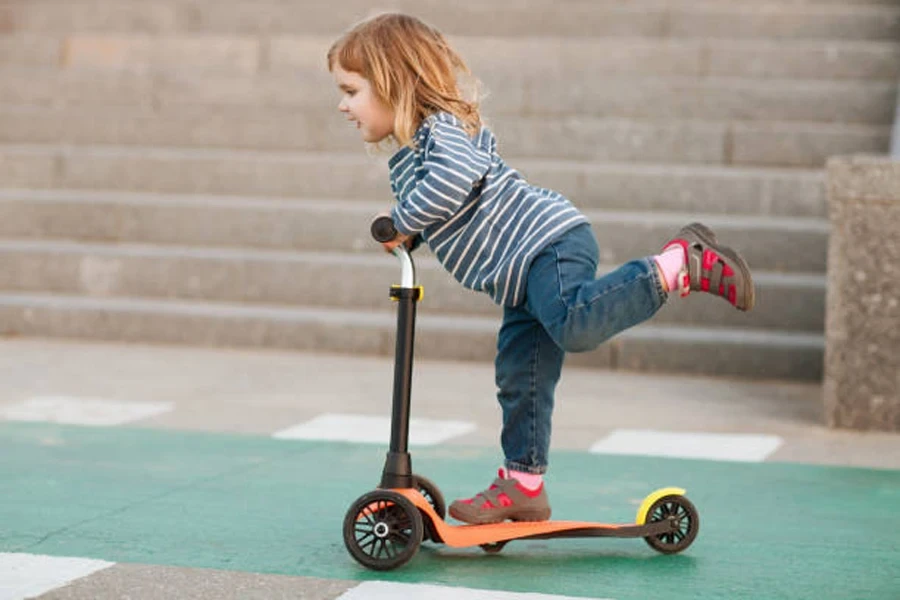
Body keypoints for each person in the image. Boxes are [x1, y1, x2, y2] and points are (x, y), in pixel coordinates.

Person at [327, 13, 755, 525]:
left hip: (546, 246)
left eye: (351, 90)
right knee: (519, 376)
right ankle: (523, 482)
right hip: (518, 276)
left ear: (393, 83)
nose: (342, 105)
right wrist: (412, 231)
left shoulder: (440, 129)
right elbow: (453, 200)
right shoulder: (418, 149)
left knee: (574, 324)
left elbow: (455, 179)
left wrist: (400, 218)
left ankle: (677, 265)